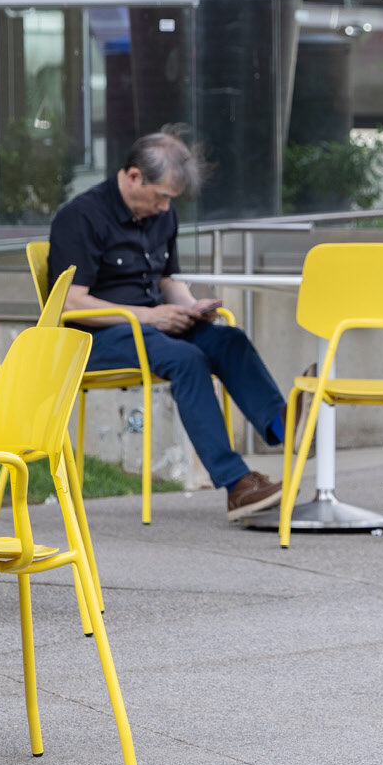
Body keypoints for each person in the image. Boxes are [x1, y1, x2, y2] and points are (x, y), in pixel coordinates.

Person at [49, 130, 289, 519]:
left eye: (170, 200)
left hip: (152, 329)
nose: (164, 208)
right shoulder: (80, 217)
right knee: (187, 358)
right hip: (93, 339)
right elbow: (69, 303)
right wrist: (149, 315)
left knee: (228, 339)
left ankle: (283, 425)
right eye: (160, 196)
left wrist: (193, 307)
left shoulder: (162, 214)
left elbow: (166, 281)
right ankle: (236, 485)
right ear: (132, 177)